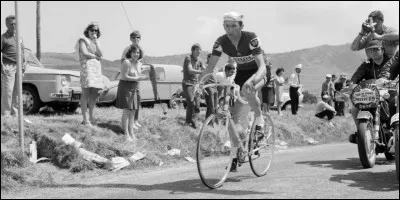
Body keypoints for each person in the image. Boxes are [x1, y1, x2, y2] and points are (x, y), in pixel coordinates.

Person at [200, 11, 268, 172]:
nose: (229, 30)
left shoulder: (250, 37)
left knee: (247, 89)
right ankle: (236, 154)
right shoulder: (221, 42)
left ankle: (260, 122)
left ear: (241, 26)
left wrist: (253, 81)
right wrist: (199, 84)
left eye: (233, 26)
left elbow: (263, 66)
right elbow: (210, 68)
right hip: (242, 74)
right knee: (234, 117)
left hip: (259, 71)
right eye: (226, 26)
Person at [348, 40, 391, 144]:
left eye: (376, 49)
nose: (373, 52)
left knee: (395, 105)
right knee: (354, 108)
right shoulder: (366, 65)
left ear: (382, 49)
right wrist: (352, 84)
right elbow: (356, 76)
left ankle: (393, 129)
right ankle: (361, 132)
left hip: (389, 93)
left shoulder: (390, 61)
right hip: (371, 94)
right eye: (370, 50)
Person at [116, 45, 148, 142]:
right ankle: (126, 134)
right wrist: (138, 78)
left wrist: (144, 75)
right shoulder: (126, 62)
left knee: (133, 111)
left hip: (135, 87)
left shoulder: (139, 63)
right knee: (126, 111)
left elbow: (137, 75)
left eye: (138, 53)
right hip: (125, 86)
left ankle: (131, 133)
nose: (136, 54)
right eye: (134, 52)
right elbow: (124, 76)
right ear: (130, 53)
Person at [75, 22, 104, 126]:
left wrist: (96, 42)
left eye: (96, 30)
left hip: (96, 69)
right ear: (88, 30)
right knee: (86, 93)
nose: (94, 32)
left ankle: (92, 117)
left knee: (94, 94)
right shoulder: (83, 39)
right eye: (92, 30)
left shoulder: (96, 42)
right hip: (87, 68)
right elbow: (84, 52)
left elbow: (101, 54)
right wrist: (95, 57)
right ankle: (85, 119)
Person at [1, 15, 26, 117]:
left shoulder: (19, 38)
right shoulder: (3, 38)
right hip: (8, 66)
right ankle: (6, 114)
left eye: (15, 24)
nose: (14, 26)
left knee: (17, 91)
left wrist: (24, 63)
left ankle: (15, 114)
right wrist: (2, 66)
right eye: (11, 24)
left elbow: (22, 51)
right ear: (6, 24)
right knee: (8, 91)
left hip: (19, 66)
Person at [121, 30, 143, 129]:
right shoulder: (127, 49)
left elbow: (140, 62)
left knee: (137, 99)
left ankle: (135, 120)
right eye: (133, 37)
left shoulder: (141, 49)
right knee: (129, 105)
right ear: (130, 39)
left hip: (137, 79)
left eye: (137, 37)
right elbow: (123, 61)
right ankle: (129, 124)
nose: (135, 39)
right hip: (129, 78)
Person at [182, 43, 205, 129]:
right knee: (191, 102)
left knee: (197, 105)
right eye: (197, 50)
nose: (198, 51)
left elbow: (204, 68)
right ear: (192, 51)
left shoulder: (200, 60)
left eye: (200, 50)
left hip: (196, 85)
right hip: (187, 84)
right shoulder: (188, 58)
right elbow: (190, 70)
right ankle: (188, 121)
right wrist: (201, 72)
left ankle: (195, 122)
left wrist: (210, 69)